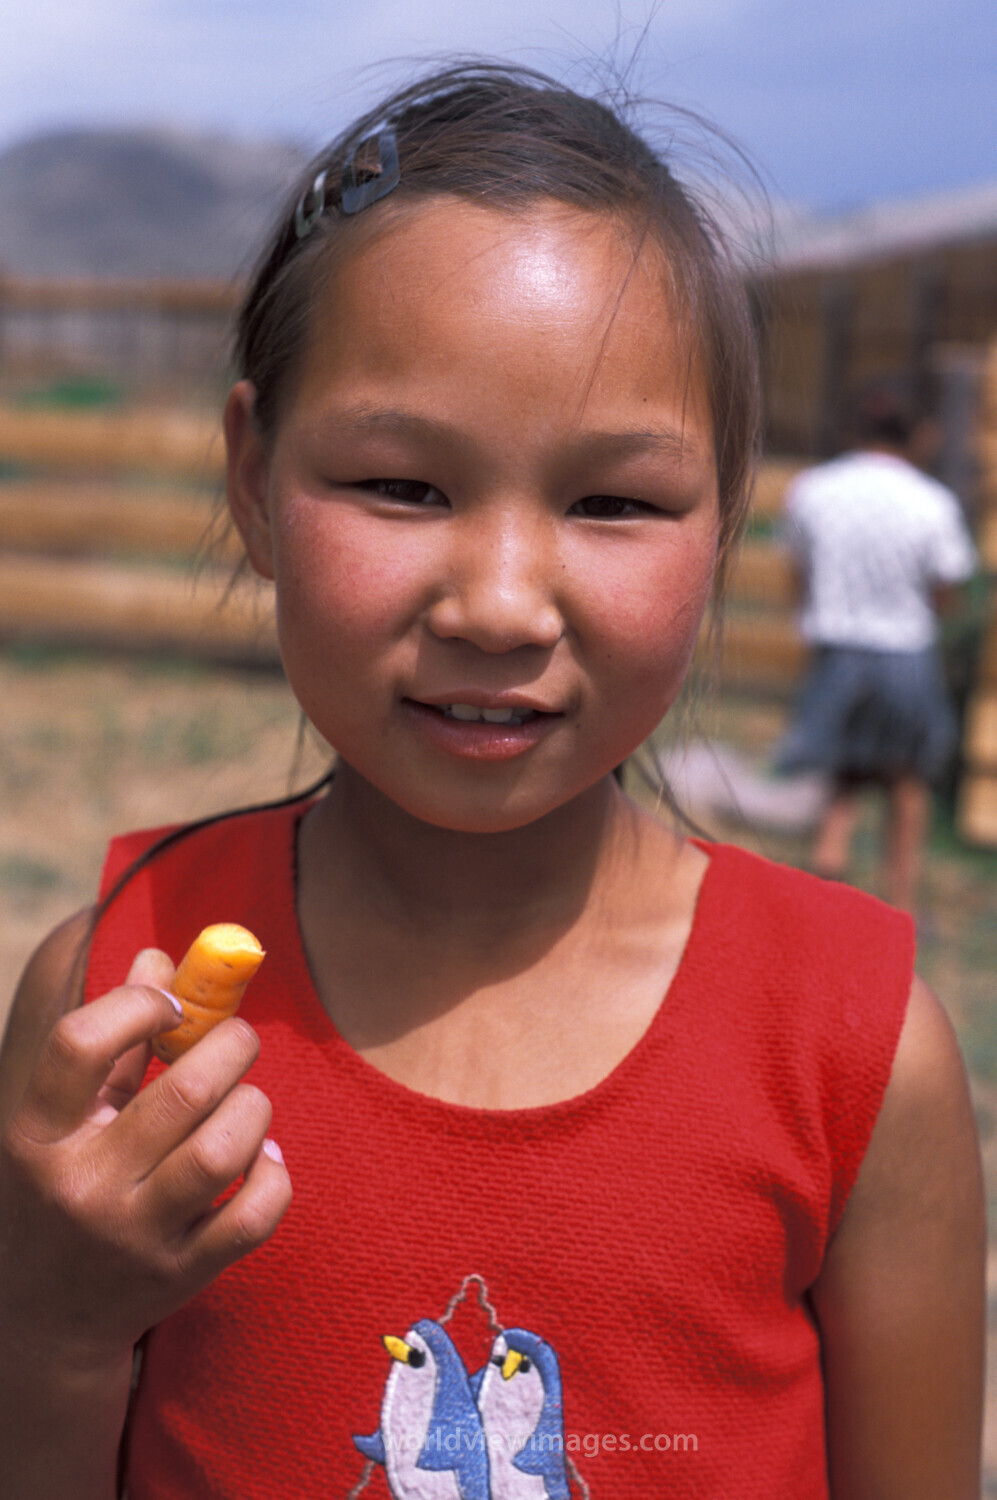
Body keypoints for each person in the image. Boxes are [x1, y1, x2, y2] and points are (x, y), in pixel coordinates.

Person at [0, 64, 984, 1500]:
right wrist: (55, 1327)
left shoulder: (856, 1049)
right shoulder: (116, 1000)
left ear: (720, 533)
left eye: (614, 503)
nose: (504, 603)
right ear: (251, 480)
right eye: (403, 486)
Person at [775, 378, 978, 912]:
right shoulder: (932, 501)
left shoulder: (813, 488)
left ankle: (825, 885)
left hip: (837, 647)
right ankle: (900, 901)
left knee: (842, 771)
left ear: (852, 427)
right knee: (906, 781)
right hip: (904, 653)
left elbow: (796, 569)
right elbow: (948, 586)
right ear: (920, 435)